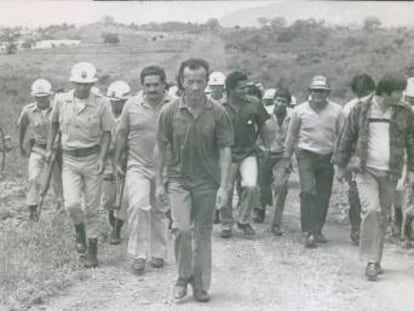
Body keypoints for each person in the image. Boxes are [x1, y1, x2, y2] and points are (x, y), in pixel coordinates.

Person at [157, 58, 233, 302]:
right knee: (181, 230)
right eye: (190, 81)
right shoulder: (169, 111)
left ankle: (200, 285)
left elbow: (225, 150)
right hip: (179, 180)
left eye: (200, 81)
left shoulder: (218, 112)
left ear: (207, 82)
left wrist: (224, 186)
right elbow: (161, 146)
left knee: (202, 233)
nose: (196, 87)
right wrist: (159, 182)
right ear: (181, 82)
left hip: (207, 182)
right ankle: (182, 277)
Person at [334, 73, 414, 281]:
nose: (401, 95)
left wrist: (412, 170)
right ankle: (370, 261)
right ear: (385, 92)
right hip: (364, 169)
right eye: (398, 91)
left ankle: (376, 259)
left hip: (391, 171)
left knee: (383, 216)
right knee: (371, 210)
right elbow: (347, 136)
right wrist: (340, 166)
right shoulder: (361, 108)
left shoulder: (405, 111)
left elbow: (411, 142)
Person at [46, 62, 115, 268]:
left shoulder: (102, 103)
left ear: (93, 84)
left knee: (92, 207)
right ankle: (79, 230)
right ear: (73, 83)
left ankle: (92, 247)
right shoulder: (61, 101)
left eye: (88, 84)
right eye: (79, 84)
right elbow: (54, 124)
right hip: (69, 159)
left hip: (92, 158)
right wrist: (50, 148)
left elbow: (107, 133)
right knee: (72, 204)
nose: (83, 88)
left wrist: (103, 158)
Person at [114, 66, 171, 275]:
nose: (152, 89)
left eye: (156, 84)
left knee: (159, 209)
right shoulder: (131, 105)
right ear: (142, 86)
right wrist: (117, 160)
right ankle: (138, 255)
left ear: (164, 84)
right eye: (148, 85)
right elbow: (121, 134)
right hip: (137, 164)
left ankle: (158, 253)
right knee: (138, 206)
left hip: (165, 167)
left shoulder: (174, 105)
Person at [284, 75, 344, 248]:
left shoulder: (337, 111)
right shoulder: (299, 110)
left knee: (324, 195)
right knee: (309, 191)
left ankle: (318, 229)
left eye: (322, 91)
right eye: (315, 91)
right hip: (306, 155)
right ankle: (308, 231)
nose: (318, 94)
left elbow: (341, 135)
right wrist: (287, 157)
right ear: (310, 92)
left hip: (327, 157)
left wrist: (340, 158)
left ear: (328, 93)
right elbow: (292, 134)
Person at [219, 71, 270, 238]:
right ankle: (226, 223)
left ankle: (243, 220)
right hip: (227, 154)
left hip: (248, 152)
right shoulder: (219, 107)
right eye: (241, 88)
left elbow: (262, 126)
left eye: (246, 87)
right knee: (225, 188)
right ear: (230, 89)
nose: (245, 90)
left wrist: (267, 147)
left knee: (250, 185)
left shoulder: (254, 104)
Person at [18, 79, 63, 220]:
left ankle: (60, 206)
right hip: (38, 148)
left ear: (49, 96)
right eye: (38, 97)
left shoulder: (58, 108)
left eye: (44, 97)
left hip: (57, 149)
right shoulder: (28, 110)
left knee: (58, 179)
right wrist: (21, 146)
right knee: (33, 177)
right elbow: (22, 127)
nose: (41, 100)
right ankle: (32, 207)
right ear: (34, 97)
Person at [343, 74, 376, 245]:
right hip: (354, 158)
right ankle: (357, 229)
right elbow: (344, 136)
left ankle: (363, 229)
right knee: (356, 193)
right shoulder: (350, 108)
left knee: (361, 195)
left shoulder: (373, 106)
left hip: (371, 157)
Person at [255, 88, 292, 236]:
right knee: (262, 185)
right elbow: (256, 131)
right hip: (265, 151)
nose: (280, 104)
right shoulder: (265, 112)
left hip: (283, 154)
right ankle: (260, 208)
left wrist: (290, 156)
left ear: (288, 104)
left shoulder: (293, 116)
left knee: (281, 186)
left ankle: (276, 223)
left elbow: (295, 135)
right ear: (274, 100)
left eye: (284, 101)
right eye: (278, 100)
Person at [101, 81, 131, 245]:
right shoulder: (104, 114)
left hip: (126, 158)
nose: (116, 104)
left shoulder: (130, 115)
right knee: (108, 197)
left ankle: (117, 229)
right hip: (108, 158)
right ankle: (111, 214)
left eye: (120, 101)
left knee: (124, 197)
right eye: (113, 101)